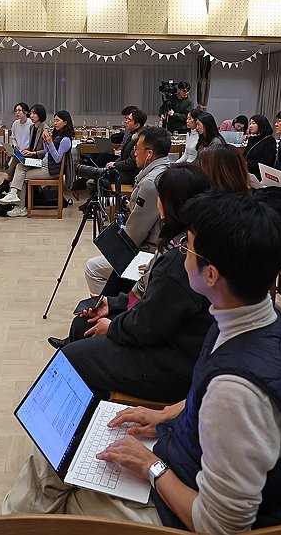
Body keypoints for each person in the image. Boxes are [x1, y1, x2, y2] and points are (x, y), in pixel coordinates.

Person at [2, 192, 281, 531]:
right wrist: (168, 414)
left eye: (188, 248)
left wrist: (150, 466)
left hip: (186, 509)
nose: (182, 255)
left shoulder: (235, 392)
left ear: (211, 274)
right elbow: (213, 394)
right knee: (63, 454)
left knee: (52, 478)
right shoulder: (255, 316)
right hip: (189, 460)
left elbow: (221, 526)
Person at [52, 164, 215, 402]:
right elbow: (155, 307)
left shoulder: (183, 257)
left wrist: (113, 327)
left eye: (160, 198)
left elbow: (150, 325)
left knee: (72, 357)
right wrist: (115, 304)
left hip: (174, 364)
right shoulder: (190, 239)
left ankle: (91, 423)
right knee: (82, 325)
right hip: (174, 341)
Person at [84, 127, 173, 296]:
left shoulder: (150, 183)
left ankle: (109, 310)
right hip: (161, 247)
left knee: (93, 267)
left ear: (149, 154)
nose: (134, 153)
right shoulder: (166, 169)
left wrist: (114, 246)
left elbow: (134, 235)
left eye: (137, 148)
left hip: (148, 252)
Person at [0, 110, 74, 217]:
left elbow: (57, 159)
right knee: (20, 165)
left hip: (50, 170)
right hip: (43, 164)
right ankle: (13, 194)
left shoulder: (66, 140)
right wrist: (46, 142)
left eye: (57, 121)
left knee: (22, 177)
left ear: (65, 122)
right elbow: (48, 152)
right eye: (54, 121)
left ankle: (20, 206)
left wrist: (50, 143)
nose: (55, 123)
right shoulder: (58, 135)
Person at [0, 104, 47, 197]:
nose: (31, 115)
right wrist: (18, 149)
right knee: (16, 157)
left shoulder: (43, 128)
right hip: (29, 154)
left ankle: (6, 183)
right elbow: (17, 139)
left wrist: (31, 152)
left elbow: (46, 150)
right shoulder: (32, 127)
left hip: (38, 159)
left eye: (34, 113)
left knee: (16, 160)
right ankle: (9, 187)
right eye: (31, 113)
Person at [108, 107, 146, 187]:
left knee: (104, 176)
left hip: (133, 174)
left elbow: (131, 163)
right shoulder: (132, 134)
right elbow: (123, 156)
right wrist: (114, 164)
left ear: (137, 125)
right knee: (105, 171)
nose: (126, 122)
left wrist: (115, 164)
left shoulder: (140, 138)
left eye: (129, 120)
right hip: (127, 169)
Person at [243, 114, 276, 181]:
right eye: (250, 123)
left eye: (253, 123)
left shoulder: (269, 140)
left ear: (261, 124)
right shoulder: (251, 139)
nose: (250, 126)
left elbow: (267, 161)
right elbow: (246, 154)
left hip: (260, 174)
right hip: (247, 172)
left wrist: (249, 164)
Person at [8, 102, 35, 171]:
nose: (17, 113)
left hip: (28, 151)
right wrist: (15, 145)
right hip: (18, 151)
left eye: (19, 110)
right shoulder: (15, 123)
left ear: (25, 112)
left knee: (13, 164)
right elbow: (13, 137)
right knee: (9, 164)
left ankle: (8, 180)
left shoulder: (31, 123)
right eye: (15, 111)